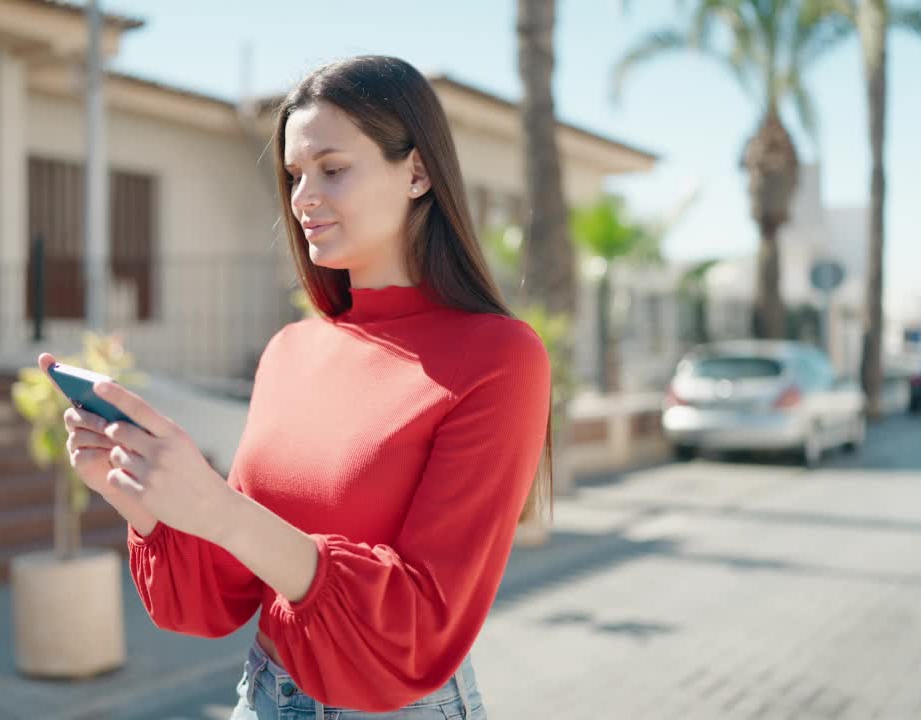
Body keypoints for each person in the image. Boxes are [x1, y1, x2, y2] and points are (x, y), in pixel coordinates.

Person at [40, 55, 552, 719]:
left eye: (332, 169)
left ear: (418, 172)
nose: (303, 197)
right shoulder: (290, 351)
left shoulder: (498, 359)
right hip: (263, 697)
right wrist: (141, 497)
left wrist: (218, 507)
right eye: (294, 175)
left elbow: (422, 624)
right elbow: (217, 599)